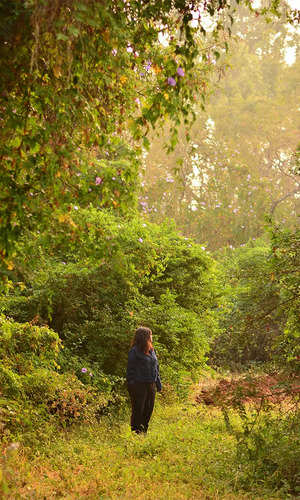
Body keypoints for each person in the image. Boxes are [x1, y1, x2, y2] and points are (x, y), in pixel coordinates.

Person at [126, 326, 162, 434]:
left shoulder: (151, 350)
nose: (152, 337)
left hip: (151, 384)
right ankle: (136, 433)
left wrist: (158, 383)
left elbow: (156, 367)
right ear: (144, 337)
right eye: (150, 335)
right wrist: (131, 384)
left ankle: (144, 432)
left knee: (148, 409)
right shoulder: (134, 351)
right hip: (138, 385)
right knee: (138, 410)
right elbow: (130, 369)